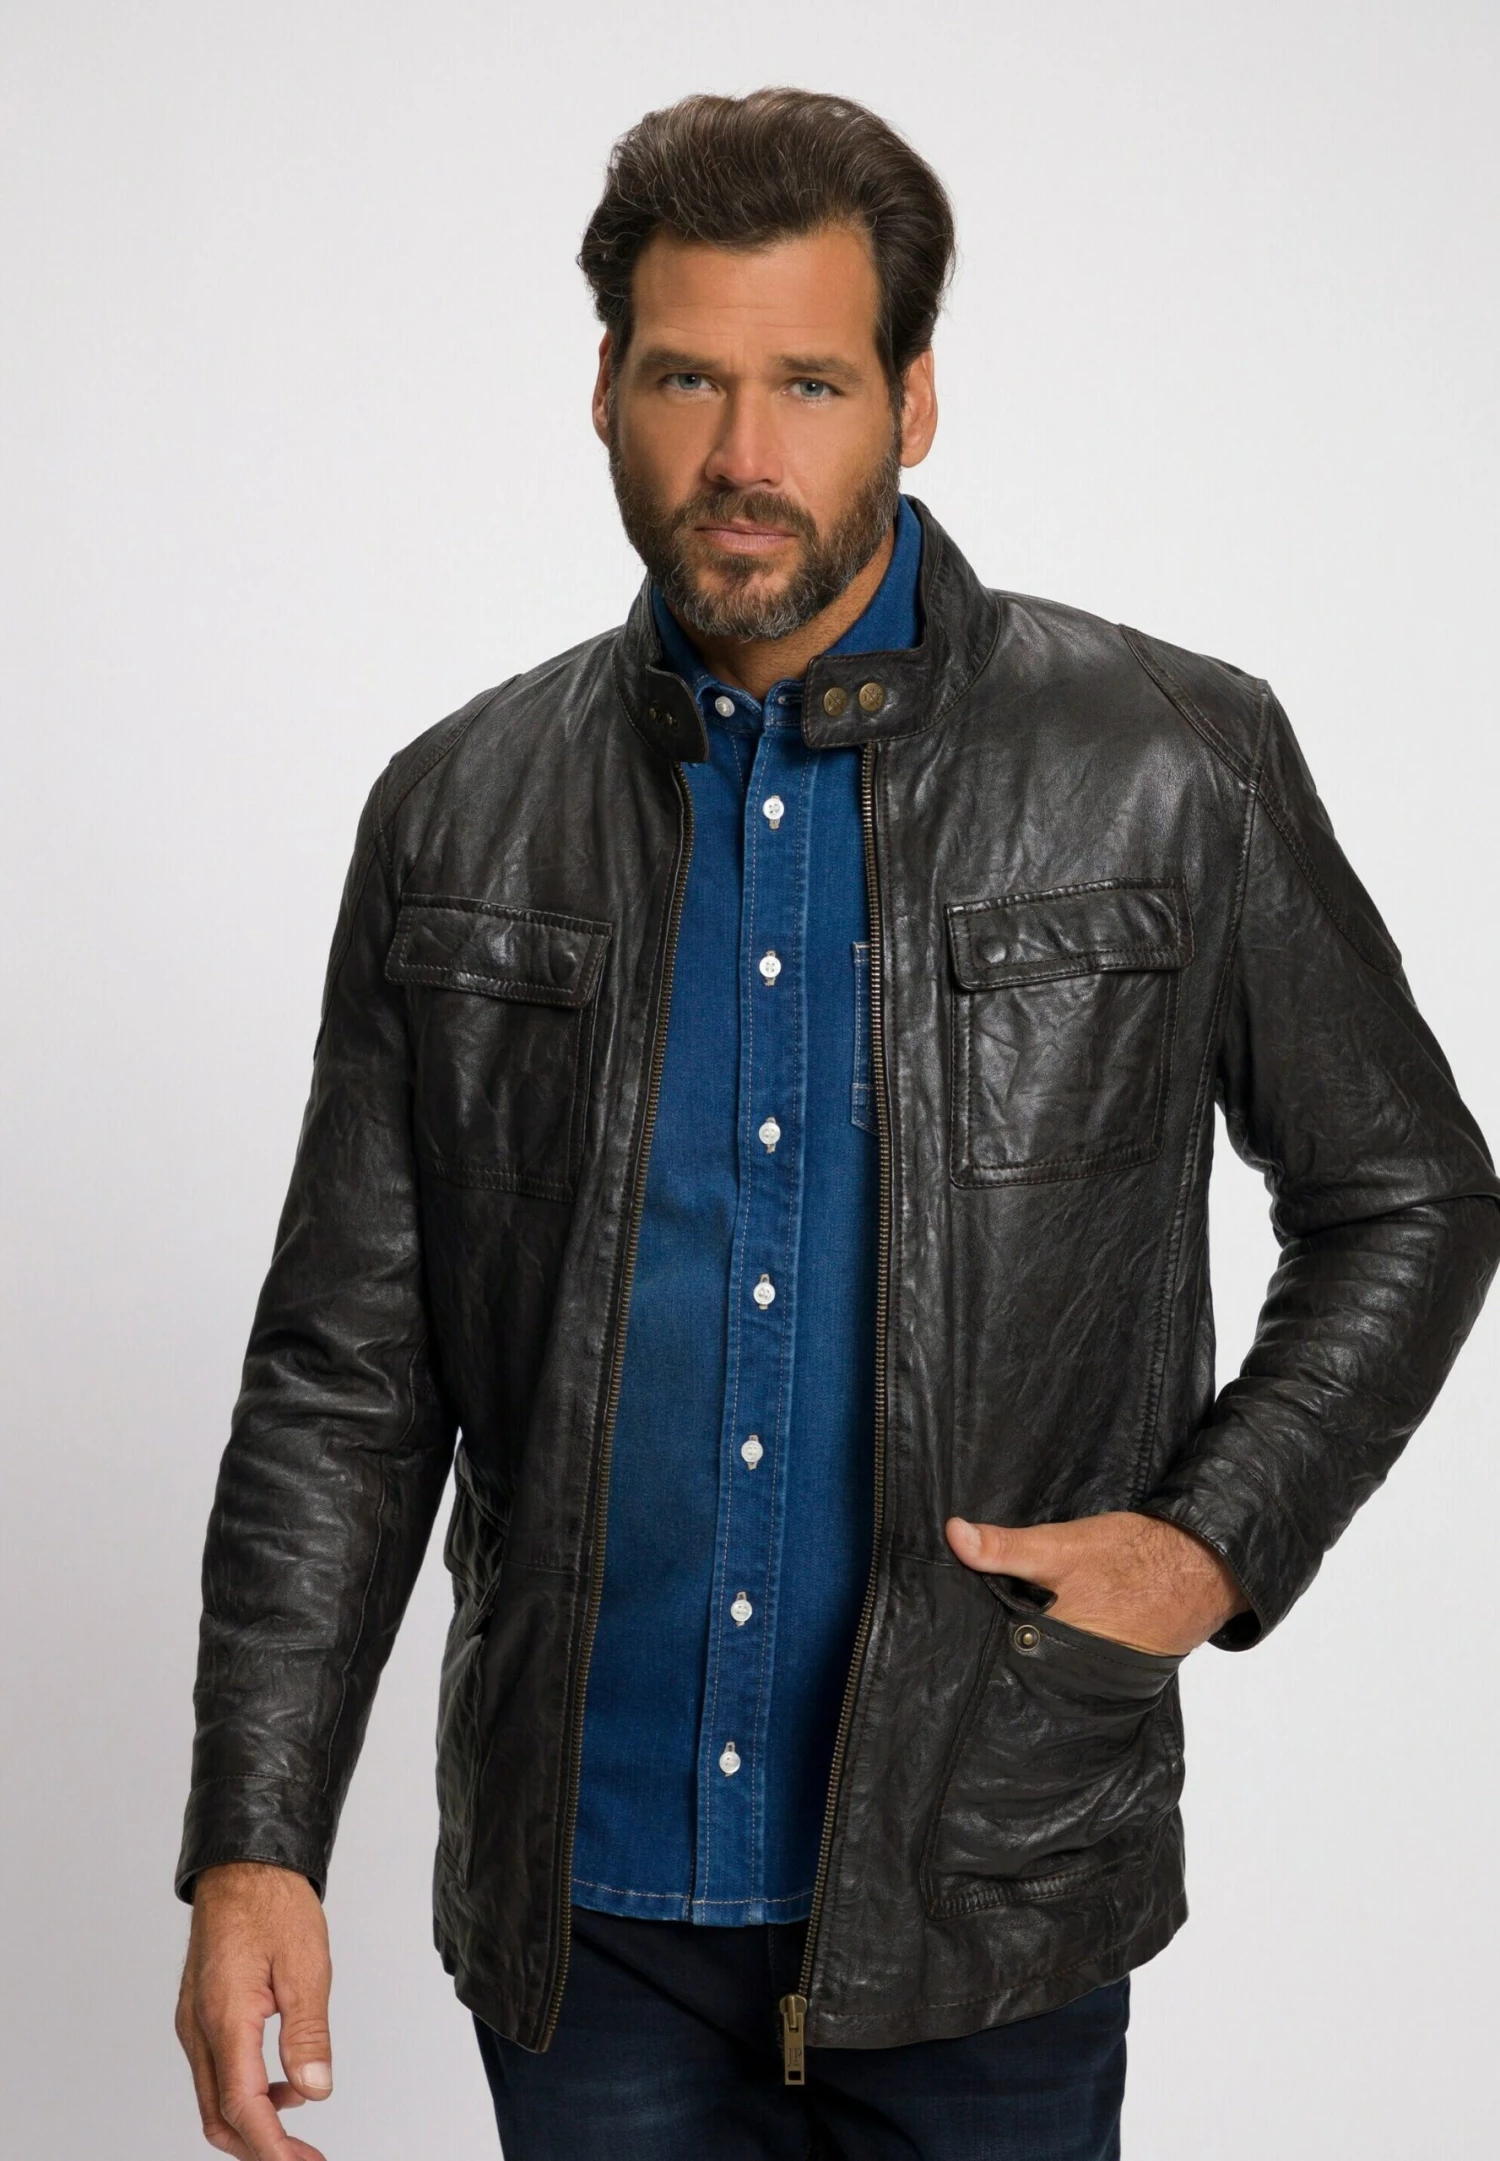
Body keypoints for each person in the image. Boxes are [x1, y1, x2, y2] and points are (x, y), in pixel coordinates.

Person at [173, 87, 1500, 2161]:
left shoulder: (1171, 761)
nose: (742, 454)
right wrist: (254, 1842)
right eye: (685, 378)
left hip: (995, 1880)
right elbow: (346, 1373)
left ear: (914, 399)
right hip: (587, 1914)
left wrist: (1214, 1541)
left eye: (808, 382)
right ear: (603, 390)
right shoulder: (458, 813)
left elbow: (1410, 1193)